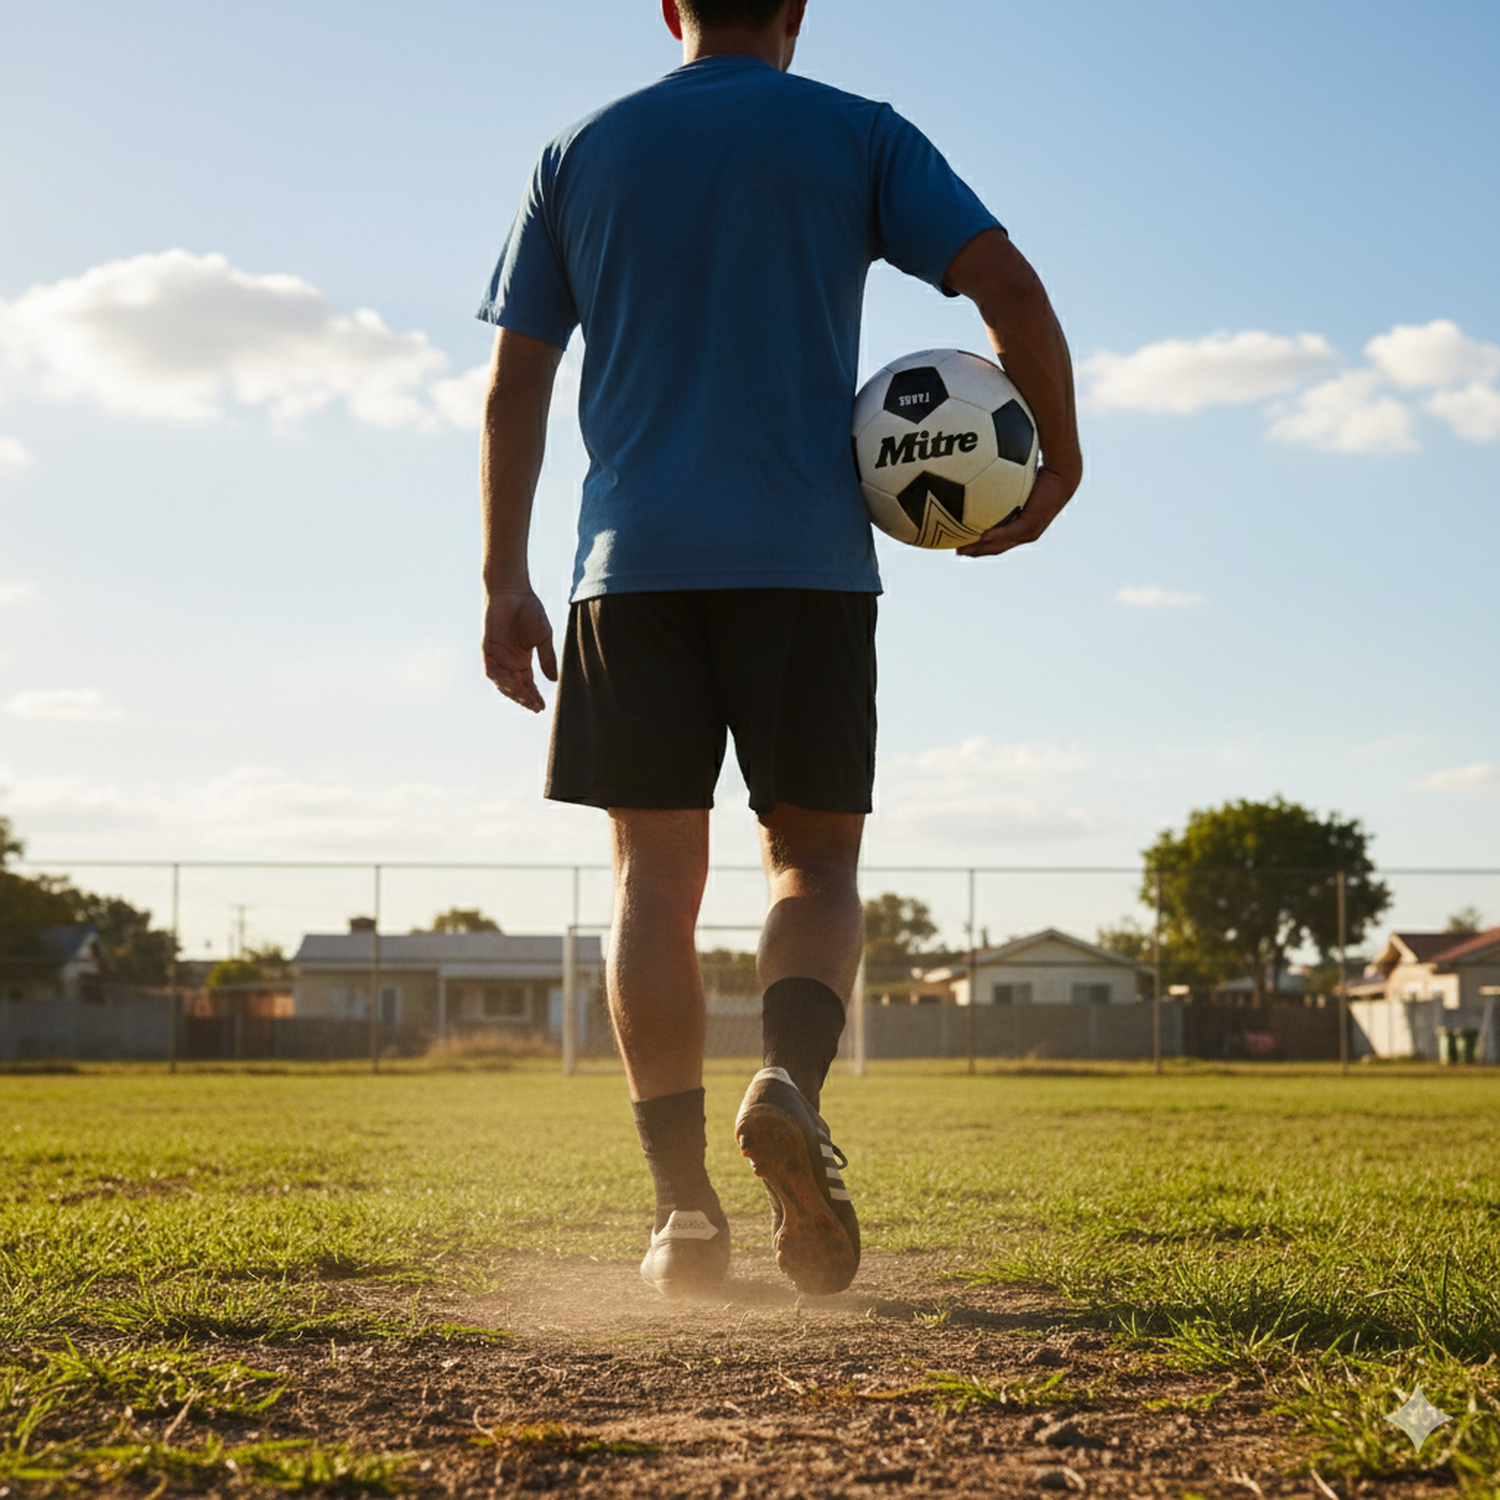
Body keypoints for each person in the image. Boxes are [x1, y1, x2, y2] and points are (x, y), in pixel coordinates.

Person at [476, 0, 1081, 1299]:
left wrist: (501, 577)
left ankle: (686, 1218)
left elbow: (516, 379)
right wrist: (1060, 457)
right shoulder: (859, 136)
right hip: (807, 566)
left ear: (667, 6)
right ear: (796, 9)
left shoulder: (579, 150)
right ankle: (788, 1083)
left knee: (652, 885)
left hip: (627, 574)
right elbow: (1009, 290)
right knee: (811, 861)